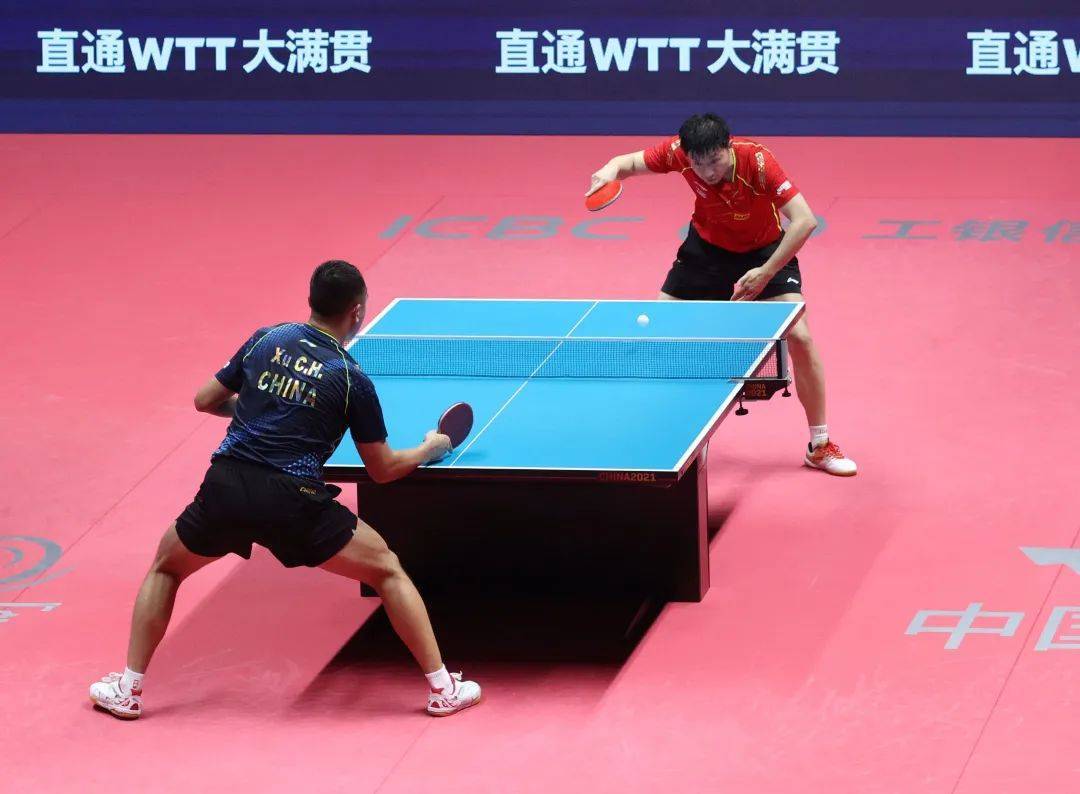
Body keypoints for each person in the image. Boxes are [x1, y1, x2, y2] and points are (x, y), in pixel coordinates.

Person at [88, 260, 481, 719]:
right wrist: (430, 448)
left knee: (166, 568)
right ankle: (443, 689)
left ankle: (128, 689)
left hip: (227, 486)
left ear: (312, 300)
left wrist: (262, 409)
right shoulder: (350, 378)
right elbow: (383, 469)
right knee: (388, 571)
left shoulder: (267, 338)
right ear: (356, 312)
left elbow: (205, 400)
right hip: (293, 500)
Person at [586, 113, 856, 476]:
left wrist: (766, 272)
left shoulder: (758, 162)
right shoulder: (679, 153)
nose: (708, 172)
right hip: (707, 252)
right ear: (687, 156)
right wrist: (608, 172)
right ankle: (655, 436)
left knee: (801, 337)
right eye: (699, 164)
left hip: (764, 252)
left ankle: (820, 446)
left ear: (727, 147)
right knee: (658, 332)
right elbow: (629, 163)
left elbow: (805, 220)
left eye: (715, 161)